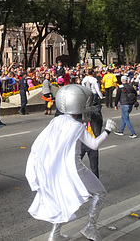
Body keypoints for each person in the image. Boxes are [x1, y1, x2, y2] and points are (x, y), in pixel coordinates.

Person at [26, 84, 116, 241]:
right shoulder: (77, 127)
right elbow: (94, 145)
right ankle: (90, 227)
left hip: (59, 170)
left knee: (62, 199)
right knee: (100, 193)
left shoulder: (57, 121)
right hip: (75, 170)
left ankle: (55, 234)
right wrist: (107, 131)